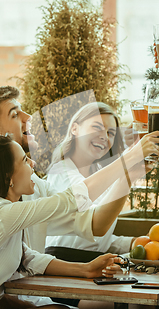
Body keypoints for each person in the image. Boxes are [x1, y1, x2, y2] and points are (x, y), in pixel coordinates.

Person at [0, 86, 159, 308]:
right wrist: (129, 157)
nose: (29, 117)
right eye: (15, 114)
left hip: (28, 297)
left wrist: (130, 173)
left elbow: (89, 223)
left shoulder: (30, 187)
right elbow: (70, 199)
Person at [0, 135, 125, 309]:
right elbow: (69, 200)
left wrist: (86, 269)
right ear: (9, 177)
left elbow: (28, 258)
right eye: (24, 160)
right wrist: (126, 164)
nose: (32, 163)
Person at [45, 102, 135, 261]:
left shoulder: (101, 174)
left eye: (111, 133)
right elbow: (93, 222)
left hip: (94, 263)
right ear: (75, 129)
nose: (104, 136)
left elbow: (94, 240)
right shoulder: (61, 172)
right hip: (62, 263)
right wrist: (129, 159)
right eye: (97, 127)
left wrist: (132, 243)